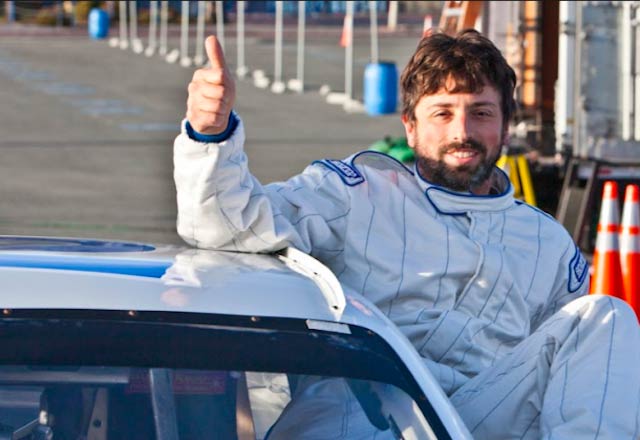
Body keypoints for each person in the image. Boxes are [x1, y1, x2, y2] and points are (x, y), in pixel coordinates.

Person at [174, 30, 640, 439]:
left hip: (472, 421)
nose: (462, 131)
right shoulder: (353, 194)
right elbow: (226, 225)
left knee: (606, 317)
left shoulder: (547, 243)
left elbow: (580, 389)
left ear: (504, 126)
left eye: (480, 113)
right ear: (410, 127)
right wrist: (210, 134)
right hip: (363, 413)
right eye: (442, 113)